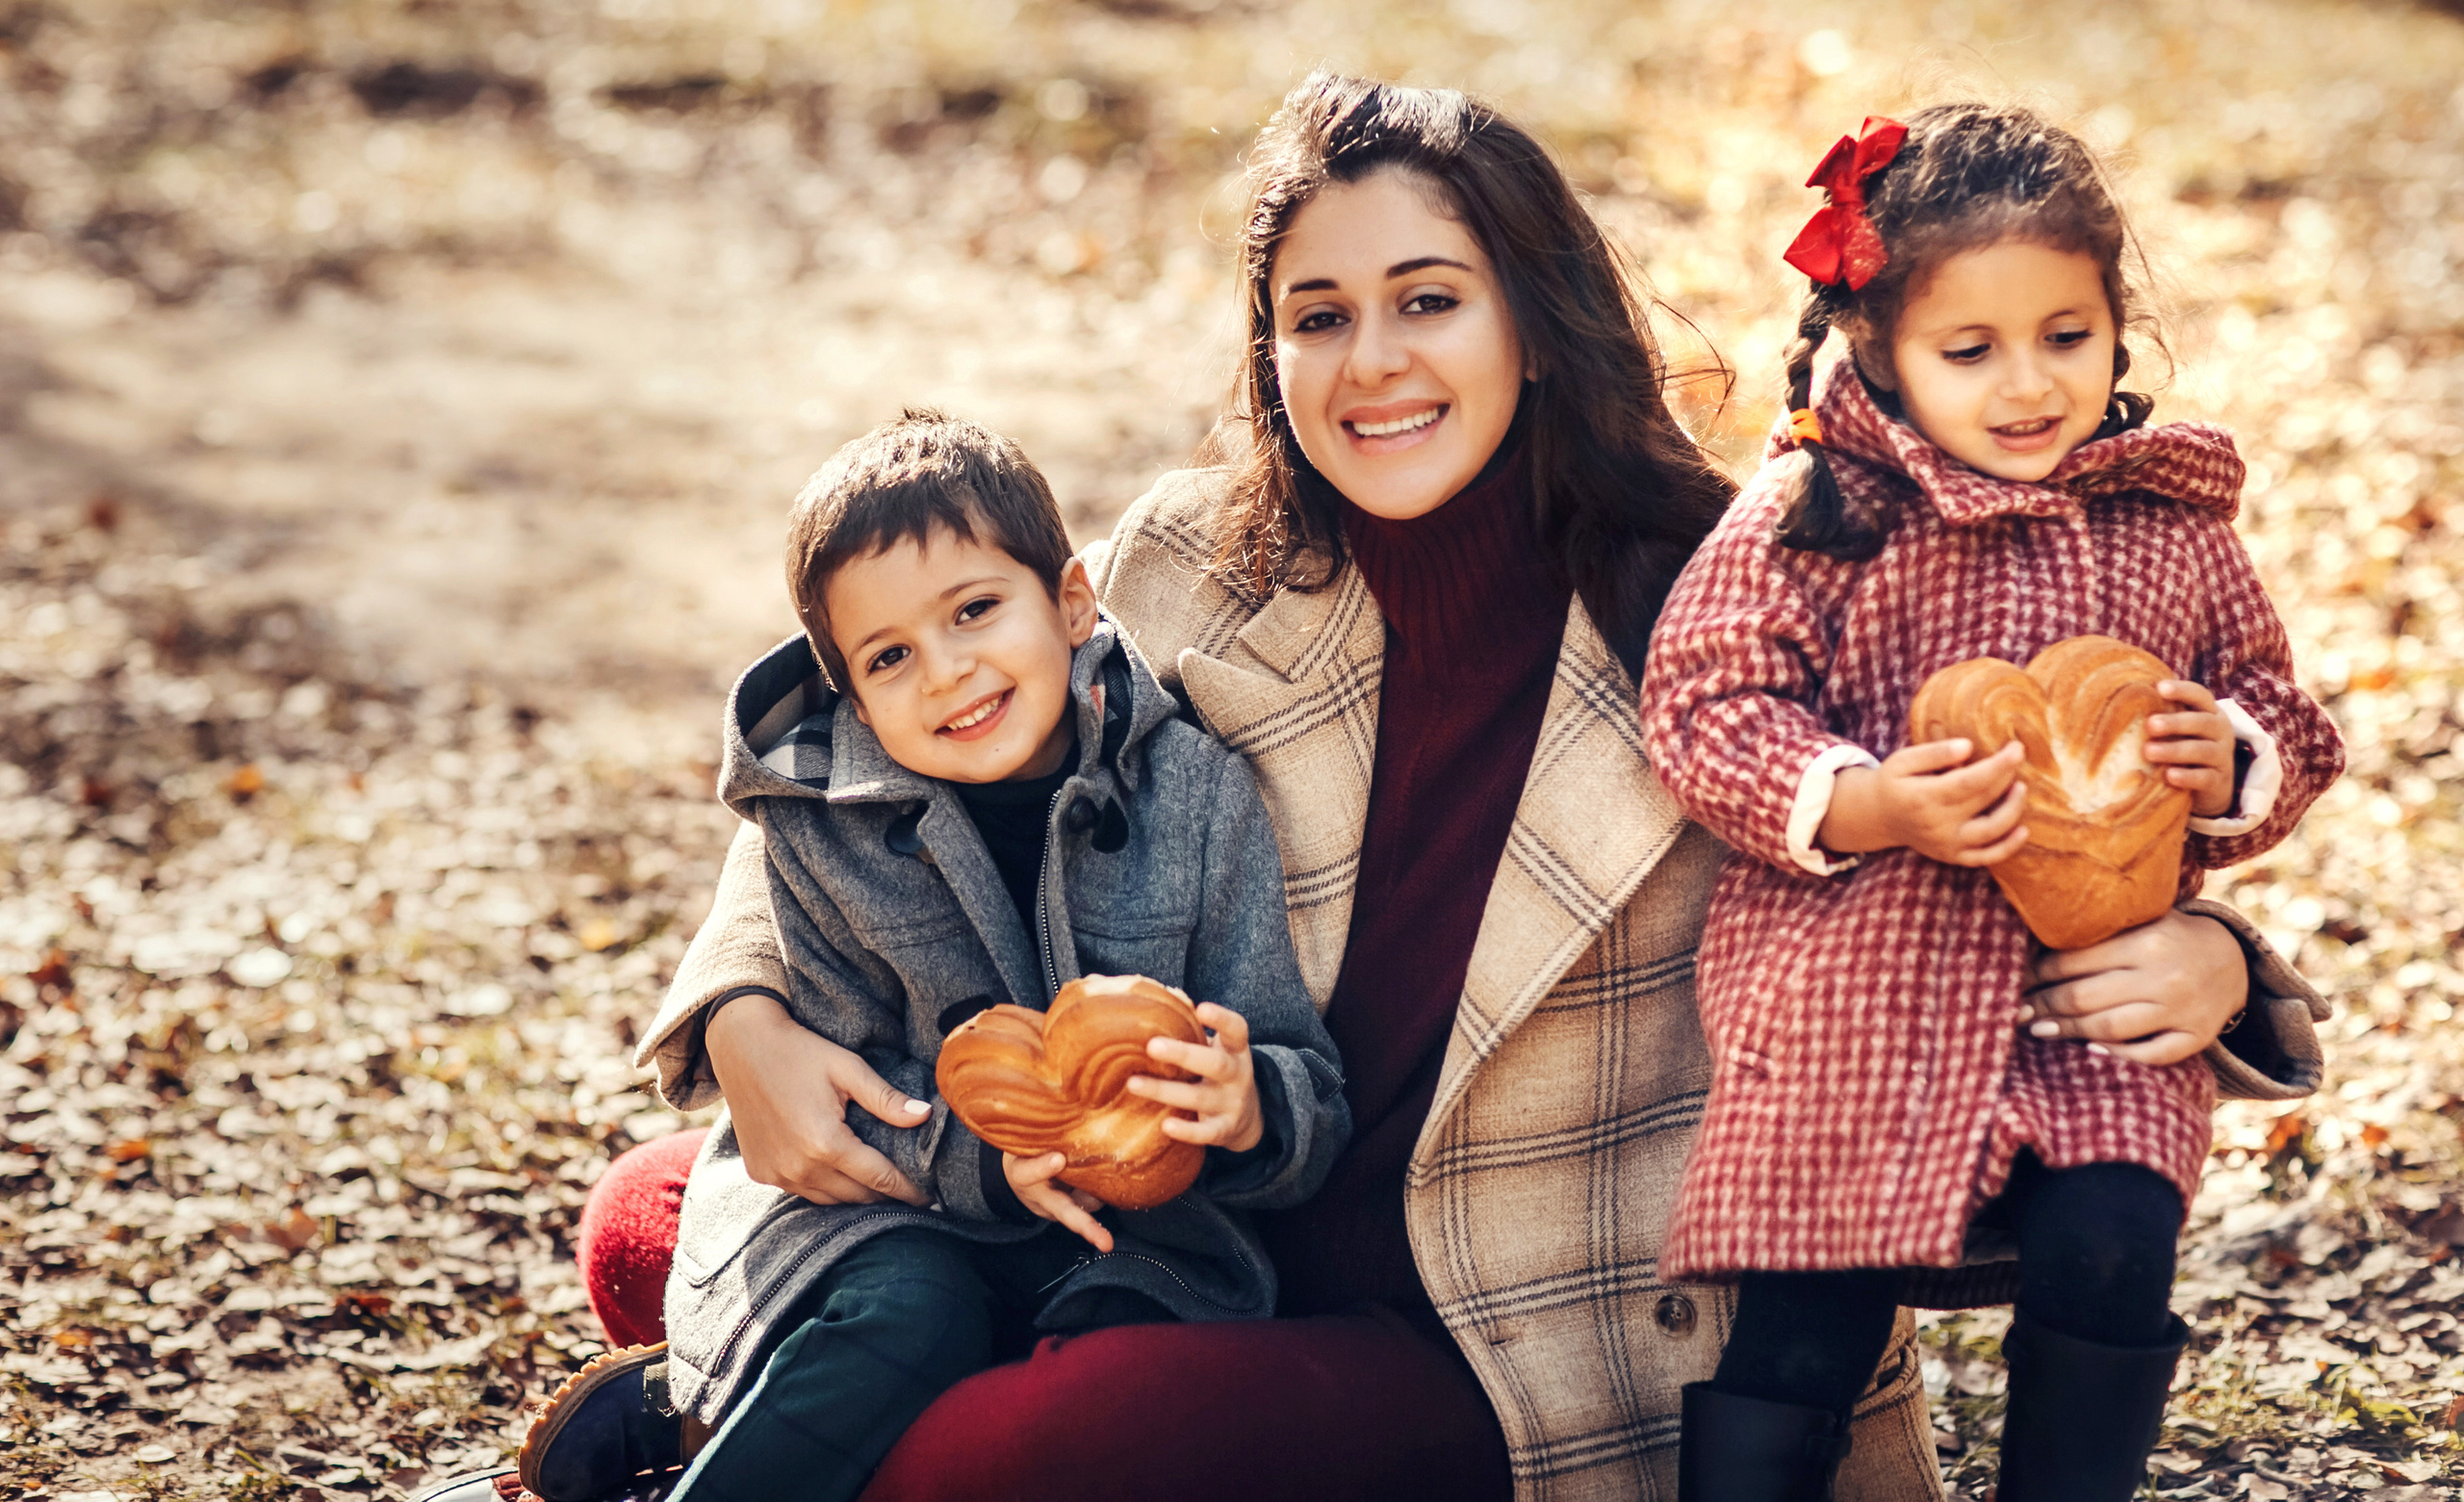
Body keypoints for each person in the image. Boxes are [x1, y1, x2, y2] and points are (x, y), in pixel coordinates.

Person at [431, 76, 2325, 1502]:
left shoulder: (1739, 581)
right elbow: (923, 728)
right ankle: (739, 1396)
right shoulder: (1200, 559)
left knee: (986, 1462)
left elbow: (2011, 794)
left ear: (1527, 305)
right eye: (1316, 312)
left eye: (1425, 297)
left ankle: (732, 1422)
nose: (1371, 361)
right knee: (649, 1210)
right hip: (1202, 1208)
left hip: (1511, 1316)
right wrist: (746, 999)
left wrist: (2219, 965)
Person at [1640, 105, 2345, 1501]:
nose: (2027, 384)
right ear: (1882, 347)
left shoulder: (2171, 526)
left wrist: (2234, 759)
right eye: (1971, 349)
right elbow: (1702, 706)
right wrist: (1859, 799)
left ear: (2113, 327)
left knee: (2115, 1237)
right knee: (1806, 1324)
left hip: (2093, 1006)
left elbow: (2286, 710)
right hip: (1855, 1012)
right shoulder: (1818, 511)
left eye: (2065, 336)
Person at [516, 412, 1347, 1502]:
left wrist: (1248, 1108)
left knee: (1122, 1378)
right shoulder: (820, 836)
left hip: (1140, 1243)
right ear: (847, 692)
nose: (947, 673)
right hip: (900, 1217)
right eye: (891, 656)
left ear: (1070, 601)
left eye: (975, 611)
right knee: (913, 1312)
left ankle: (687, 1410)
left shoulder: (1197, 799)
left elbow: (1301, 1078)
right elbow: (839, 1092)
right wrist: (985, 1165)